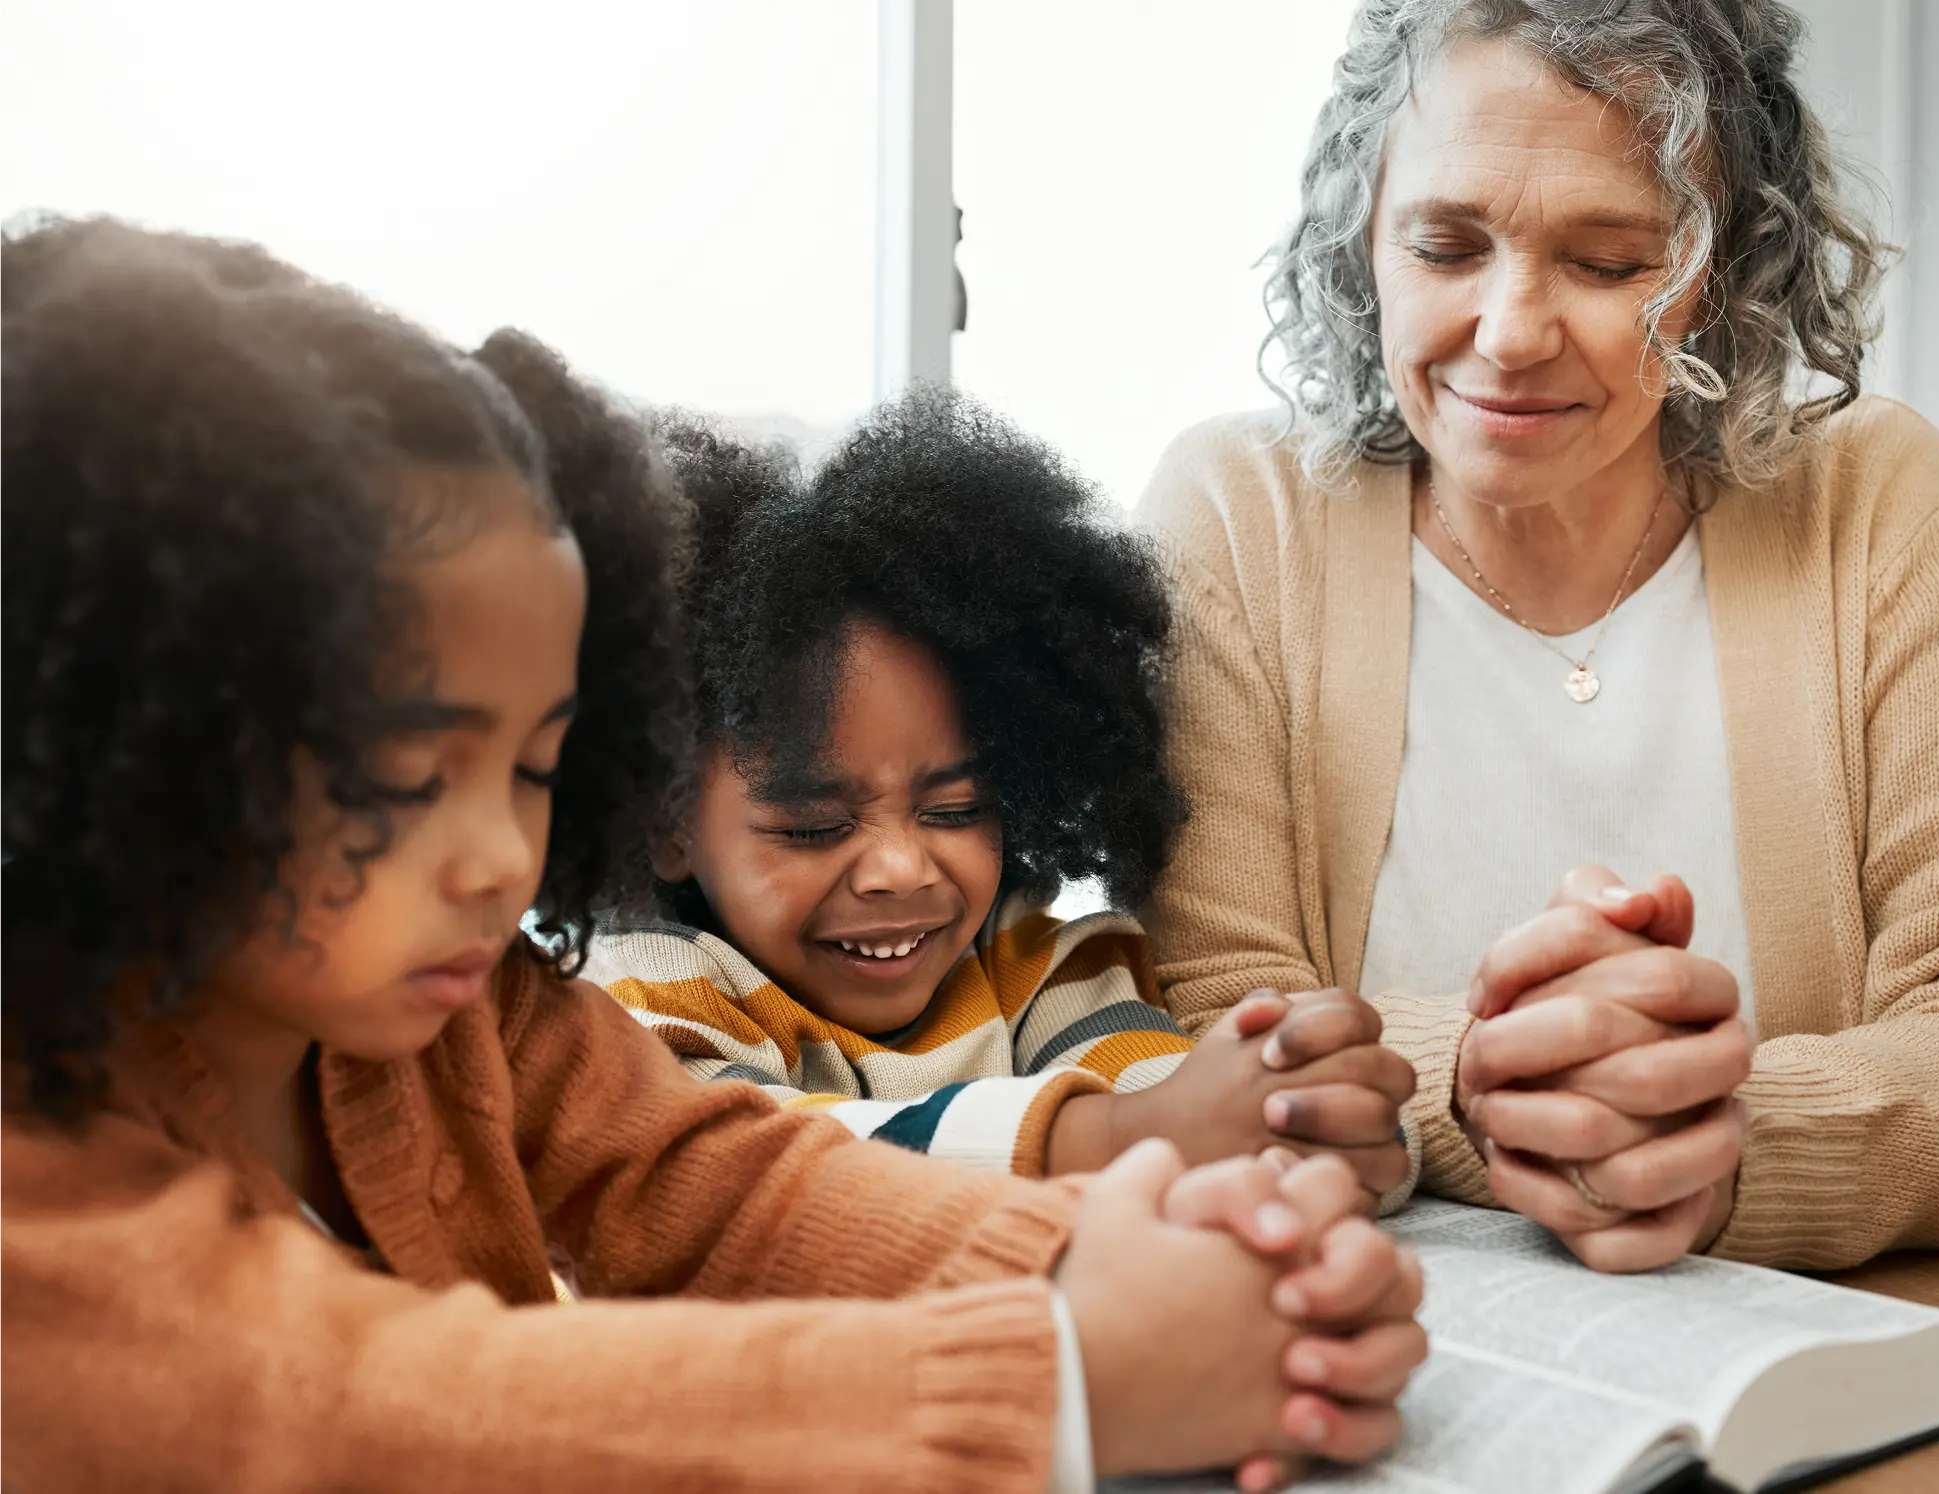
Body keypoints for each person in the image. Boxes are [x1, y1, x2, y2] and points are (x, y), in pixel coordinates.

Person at [0, 218, 1428, 1493]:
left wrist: (1097, 1259)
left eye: (538, 763)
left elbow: (719, 1177)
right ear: (125, 737)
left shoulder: (469, 1018)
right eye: (402, 775)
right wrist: (1063, 1378)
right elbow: (354, 1405)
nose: (499, 857)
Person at [1138, 0, 1939, 1272]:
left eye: (1609, 263)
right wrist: (1475, 1086)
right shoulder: (1239, 514)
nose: (1508, 333)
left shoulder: (1875, 501)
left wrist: (1731, 1144)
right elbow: (1192, 1024)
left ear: (1730, 269)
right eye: (1444, 247)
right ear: (1361, 247)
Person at [587, 392, 1417, 1207]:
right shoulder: (642, 993)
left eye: (954, 811)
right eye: (815, 827)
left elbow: (1161, 1091)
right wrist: (1114, 1138)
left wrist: (1295, 1115)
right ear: (665, 823)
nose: (899, 868)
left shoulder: (1032, 965)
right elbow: (756, 1164)